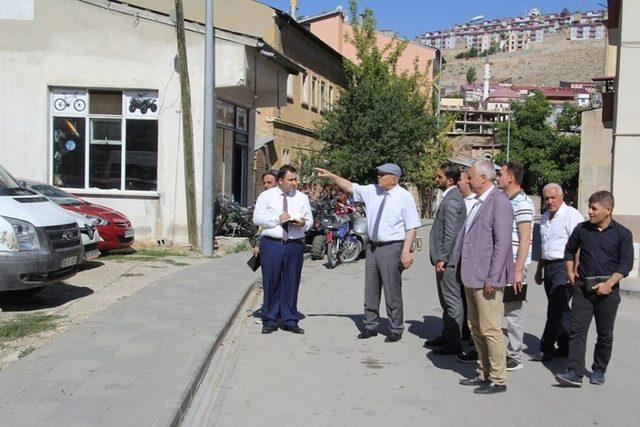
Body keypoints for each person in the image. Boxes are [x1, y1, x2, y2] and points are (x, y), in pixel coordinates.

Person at [315, 163, 421, 342]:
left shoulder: (404, 197)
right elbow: (350, 186)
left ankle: (395, 328)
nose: (378, 176)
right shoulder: (373, 191)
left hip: (392, 247)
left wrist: (405, 252)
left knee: (391, 289)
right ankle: (370, 325)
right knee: (371, 288)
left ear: (394, 178)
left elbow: (411, 227)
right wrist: (332, 175)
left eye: (382, 174)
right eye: (378, 174)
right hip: (372, 247)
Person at [555, 191, 634, 387]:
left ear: (608, 210)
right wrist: (570, 273)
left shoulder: (623, 234)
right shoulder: (582, 230)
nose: (589, 212)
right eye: (589, 207)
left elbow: (626, 264)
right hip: (583, 289)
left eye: (593, 208)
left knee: (605, 333)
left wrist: (609, 285)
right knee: (577, 330)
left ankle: (599, 369)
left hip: (609, 291)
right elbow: (569, 251)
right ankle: (574, 371)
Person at [457, 159, 514, 395]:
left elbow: (502, 243)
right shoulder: (479, 202)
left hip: (487, 278)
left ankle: (498, 379)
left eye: (470, 176)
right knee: (476, 328)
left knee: (491, 329)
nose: (467, 180)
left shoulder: (499, 202)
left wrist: (493, 276)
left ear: (483, 178)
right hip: (472, 276)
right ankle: (483, 373)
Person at [252, 165, 312, 334]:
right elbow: (257, 219)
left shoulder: (301, 198)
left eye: (295, 179)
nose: (295, 182)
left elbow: (310, 221)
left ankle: (290, 319)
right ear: (280, 181)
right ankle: (270, 319)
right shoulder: (266, 196)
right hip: (272, 243)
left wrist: (303, 223)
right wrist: (277, 219)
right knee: (271, 281)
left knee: (291, 282)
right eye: (291, 179)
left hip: (294, 244)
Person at [531, 183, 584, 362]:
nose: (550, 201)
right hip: (549, 266)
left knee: (555, 309)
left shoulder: (572, 215)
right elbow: (545, 247)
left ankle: (546, 348)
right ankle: (566, 344)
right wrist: (539, 269)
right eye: (546, 198)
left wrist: (574, 270)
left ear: (562, 197)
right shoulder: (545, 217)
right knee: (561, 308)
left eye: (553, 197)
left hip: (565, 265)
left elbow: (578, 245)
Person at [495, 163, 534, 372]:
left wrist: (518, 270)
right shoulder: (505, 200)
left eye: (500, 174)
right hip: (500, 264)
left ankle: (515, 355)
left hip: (513, 266)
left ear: (510, 178)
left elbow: (526, 239)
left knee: (512, 311)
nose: (497, 177)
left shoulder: (523, 203)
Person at [425, 163, 467, 355]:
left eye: (439, 177)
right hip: (447, 259)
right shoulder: (451, 197)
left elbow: (450, 233)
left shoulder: (452, 200)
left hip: (449, 261)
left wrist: (442, 257)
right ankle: (447, 334)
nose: (437, 180)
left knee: (452, 301)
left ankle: (454, 342)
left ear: (450, 180)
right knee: (446, 300)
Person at [251, 170, 279, 257]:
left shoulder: (289, 198)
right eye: (264, 183)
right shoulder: (264, 198)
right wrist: (257, 245)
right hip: (267, 240)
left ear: (279, 182)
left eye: (269, 182)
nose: (266, 185)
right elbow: (261, 225)